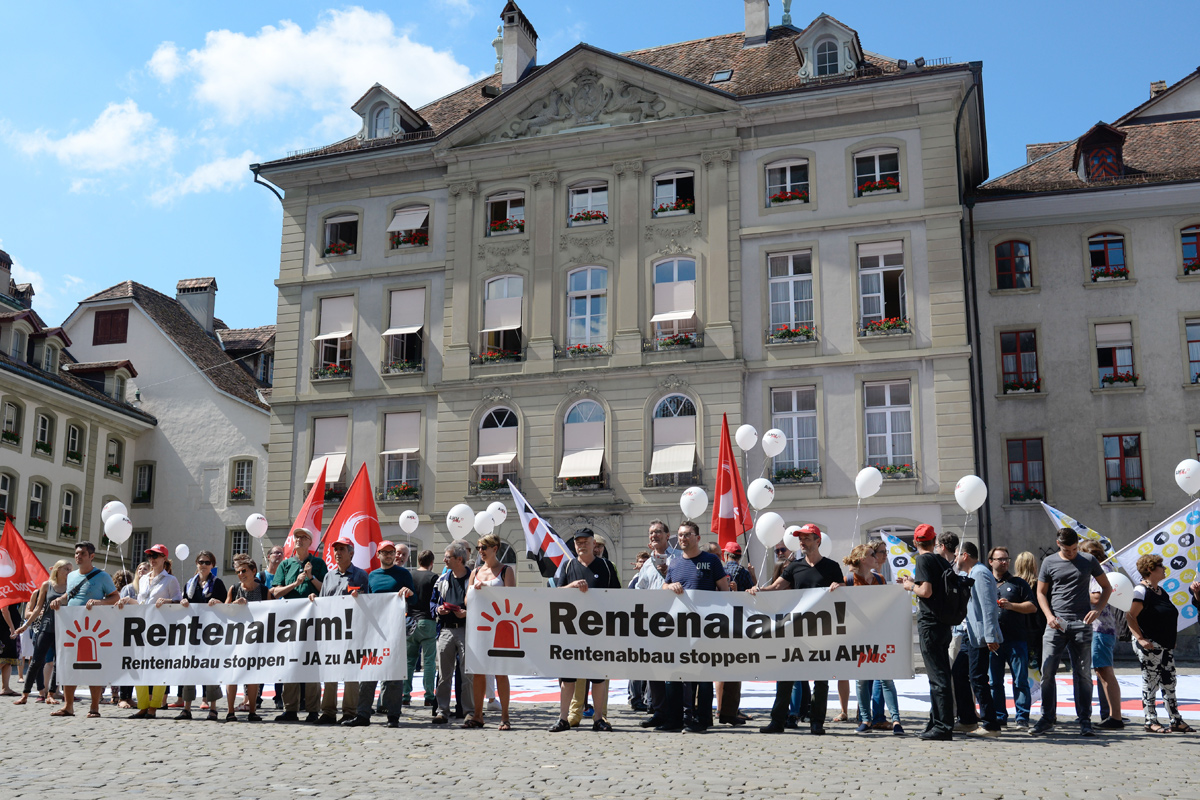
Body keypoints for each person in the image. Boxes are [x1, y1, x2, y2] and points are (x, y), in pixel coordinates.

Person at [751, 523, 841, 736]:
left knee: (821, 680)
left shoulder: (832, 567)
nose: (802, 542)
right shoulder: (794, 567)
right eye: (800, 538)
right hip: (796, 630)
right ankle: (777, 721)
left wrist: (840, 587)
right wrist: (758, 590)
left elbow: (845, 593)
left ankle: (817, 722)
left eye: (807, 538)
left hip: (822, 631)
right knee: (785, 676)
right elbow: (776, 587)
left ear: (818, 541)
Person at [1030, 528, 1111, 737]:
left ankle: (1085, 720)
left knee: (1083, 674)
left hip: (1081, 624)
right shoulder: (1049, 562)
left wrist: (1097, 610)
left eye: (1075, 549)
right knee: (1047, 671)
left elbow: (1107, 587)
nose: (1072, 553)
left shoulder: (1088, 560)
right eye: (1068, 550)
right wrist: (1049, 616)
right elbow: (1040, 592)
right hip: (1056, 624)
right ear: (1058, 544)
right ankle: (1047, 718)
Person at [550, 528, 622, 732]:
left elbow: (619, 597)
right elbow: (556, 594)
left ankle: (599, 718)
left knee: (598, 676)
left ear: (593, 544)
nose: (581, 545)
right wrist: (571, 586)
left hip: (599, 632)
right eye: (578, 542)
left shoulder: (606, 566)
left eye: (585, 542)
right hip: (572, 631)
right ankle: (563, 719)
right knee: (568, 677)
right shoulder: (568, 566)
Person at [50, 542, 119, 718]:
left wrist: (99, 602)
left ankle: (94, 708)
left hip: (94, 630)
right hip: (72, 628)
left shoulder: (102, 576)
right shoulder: (72, 576)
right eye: (76, 553)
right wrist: (59, 600)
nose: (78, 556)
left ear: (91, 556)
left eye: (82, 553)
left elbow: (115, 597)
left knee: (93, 668)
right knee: (68, 666)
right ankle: (68, 706)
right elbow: (69, 595)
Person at [898, 524, 954, 741]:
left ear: (915, 542)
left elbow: (926, 591)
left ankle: (943, 726)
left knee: (937, 677)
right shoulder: (941, 560)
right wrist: (914, 583)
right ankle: (936, 721)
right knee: (940, 675)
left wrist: (910, 586)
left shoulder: (923, 560)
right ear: (934, 541)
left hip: (930, 624)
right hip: (943, 624)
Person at [1127, 554, 1192, 734]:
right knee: (1151, 681)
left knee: (1169, 682)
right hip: (1150, 644)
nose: (1164, 569)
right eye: (1161, 566)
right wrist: (1140, 638)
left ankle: (1175, 720)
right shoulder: (1140, 591)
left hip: (1165, 645)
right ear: (1150, 569)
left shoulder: (1160, 591)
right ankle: (1150, 721)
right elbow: (1130, 616)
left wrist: (1171, 639)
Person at [352, 541, 413, 728]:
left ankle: (393, 716)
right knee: (368, 672)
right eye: (384, 552)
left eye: (391, 552)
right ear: (378, 554)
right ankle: (363, 714)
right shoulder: (372, 576)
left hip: (395, 630)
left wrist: (409, 593)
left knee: (394, 674)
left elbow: (415, 599)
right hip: (374, 630)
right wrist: (358, 597)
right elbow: (369, 600)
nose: (389, 555)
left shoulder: (403, 574)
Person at [842, 544, 902, 735]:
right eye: (872, 555)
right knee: (861, 680)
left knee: (886, 678)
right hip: (859, 636)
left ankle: (896, 721)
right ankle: (866, 720)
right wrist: (835, 588)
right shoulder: (849, 580)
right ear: (862, 559)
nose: (876, 557)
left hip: (879, 634)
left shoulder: (880, 579)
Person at [118, 544, 183, 719]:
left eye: (156, 556)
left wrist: (167, 601)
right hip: (141, 627)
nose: (152, 559)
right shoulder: (144, 579)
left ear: (164, 558)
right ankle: (143, 706)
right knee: (140, 666)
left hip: (160, 628)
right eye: (150, 556)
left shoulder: (170, 580)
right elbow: (141, 603)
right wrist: (127, 600)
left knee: (158, 667)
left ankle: (154, 706)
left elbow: (179, 601)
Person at [311, 535, 368, 725]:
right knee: (330, 670)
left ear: (351, 553)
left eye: (342, 549)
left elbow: (370, 602)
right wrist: (314, 600)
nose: (337, 553)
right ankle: (328, 712)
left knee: (350, 672)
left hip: (352, 630)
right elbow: (323, 602)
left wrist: (359, 596)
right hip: (332, 631)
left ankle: (350, 712)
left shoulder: (361, 575)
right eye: (336, 549)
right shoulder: (329, 576)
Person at [272, 528, 327, 723]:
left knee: (312, 665)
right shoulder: (286, 564)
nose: (299, 540)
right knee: (291, 665)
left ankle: (313, 709)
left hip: (313, 621)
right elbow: (275, 592)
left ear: (310, 542)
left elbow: (326, 590)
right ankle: (290, 709)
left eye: (304, 537)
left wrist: (311, 577)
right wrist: (295, 584)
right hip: (290, 622)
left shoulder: (318, 563)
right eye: (297, 537)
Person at [465, 533, 515, 730]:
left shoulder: (505, 570)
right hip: (479, 626)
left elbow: (511, 598)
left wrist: (487, 589)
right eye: (479, 548)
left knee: (501, 672)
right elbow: (467, 601)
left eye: (484, 548)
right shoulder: (475, 571)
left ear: (495, 548)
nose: (481, 551)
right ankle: (478, 715)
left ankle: (505, 716)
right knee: (478, 672)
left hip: (500, 627)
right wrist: (475, 591)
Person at [633, 520, 679, 728]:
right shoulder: (647, 564)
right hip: (652, 623)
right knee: (655, 670)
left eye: (658, 532)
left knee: (673, 669)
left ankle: (676, 713)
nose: (654, 535)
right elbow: (639, 591)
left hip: (674, 622)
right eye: (651, 532)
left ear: (667, 535)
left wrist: (668, 574)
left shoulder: (678, 558)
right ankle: (659, 711)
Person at [956, 542, 1002, 737]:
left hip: (981, 635)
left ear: (965, 555)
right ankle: (967, 719)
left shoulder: (980, 573)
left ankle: (991, 725)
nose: (955, 559)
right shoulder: (971, 573)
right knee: (959, 672)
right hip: (970, 633)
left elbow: (989, 606)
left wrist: (990, 635)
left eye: (957, 555)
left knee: (978, 678)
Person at [987, 546, 1035, 730]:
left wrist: (1011, 606)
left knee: (1020, 680)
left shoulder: (1018, 583)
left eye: (1006, 559)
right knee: (994, 682)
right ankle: (999, 715)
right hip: (993, 640)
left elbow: (1032, 607)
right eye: (1000, 559)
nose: (1004, 562)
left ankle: (1022, 717)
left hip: (1016, 639)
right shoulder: (985, 582)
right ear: (991, 561)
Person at [217, 557, 269, 722]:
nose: (241, 574)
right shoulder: (234, 589)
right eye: (238, 572)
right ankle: (230, 711)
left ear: (254, 571)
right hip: (236, 638)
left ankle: (252, 711)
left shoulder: (264, 591)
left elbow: (271, 612)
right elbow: (225, 611)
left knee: (253, 676)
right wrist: (234, 604)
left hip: (256, 638)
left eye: (244, 570)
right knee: (232, 675)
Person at [11, 559, 69, 705]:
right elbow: (37, 608)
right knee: (36, 661)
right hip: (46, 627)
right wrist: (25, 626)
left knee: (59, 663)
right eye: (66, 569)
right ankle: (25, 694)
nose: (69, 572)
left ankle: (51, 694)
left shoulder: (71, 587)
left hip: (63, 629)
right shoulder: (47, 585)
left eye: (70, 569)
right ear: (57, 570)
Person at [178, 550, 227, 720]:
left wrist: (218, 602)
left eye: (207, 562)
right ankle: (187, 708)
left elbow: (226, 605)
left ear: (212, 565)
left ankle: (213, 708)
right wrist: (183, 602)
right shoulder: (189, 584)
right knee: (189, 669)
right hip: (192, 632)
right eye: (201, 562)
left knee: (210, 669)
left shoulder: (217, 583)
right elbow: (184, 602)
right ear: (196, 564)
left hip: (211, 633)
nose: (203, 565)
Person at [1079, 540, 1122, 729]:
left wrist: (1077, 591)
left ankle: (1115, 717)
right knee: (1102, 671)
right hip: (1102, 628)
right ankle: (1111, 715)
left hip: (1100, 628)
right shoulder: (1105, 568)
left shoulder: (1101, 569)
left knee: (1104, 671)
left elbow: (1096, 596)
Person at [432, 541, 473, 725]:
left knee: (467, 675)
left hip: (466, 630)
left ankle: (469, 711)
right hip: (446, 629)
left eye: (447, 557)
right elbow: (433, 602)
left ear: (459, 559)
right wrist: (438, 609)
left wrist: (467, 613)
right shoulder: (442, 579)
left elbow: (482, 605)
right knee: (444, 674)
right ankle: (442, 711)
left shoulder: (472, 579)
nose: (444, 560)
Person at [716, 540, 754, 727]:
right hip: (738, 624)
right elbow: (752, 596)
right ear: (739, 556)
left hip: (716, 623)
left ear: (726, 555)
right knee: (733, 667)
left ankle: (718, 707)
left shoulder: (720, 571)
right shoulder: (743, 572)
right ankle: (730, 710)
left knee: (717, 668)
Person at [406, 549, 438, 710]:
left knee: (409, 661)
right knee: (429, 661)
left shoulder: (410, 575)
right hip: (427, 621)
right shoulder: (433, 577)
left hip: (411, 620)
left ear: (418, 560)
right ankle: (429, 696)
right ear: (431, 562)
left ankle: (405, 695)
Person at [1013, 551, 1044, 671]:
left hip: (1017, 629)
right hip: (1036, 629)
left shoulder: (1013, 584)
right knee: (1035, 668)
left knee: (1020, 667)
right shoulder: (1040, 585)